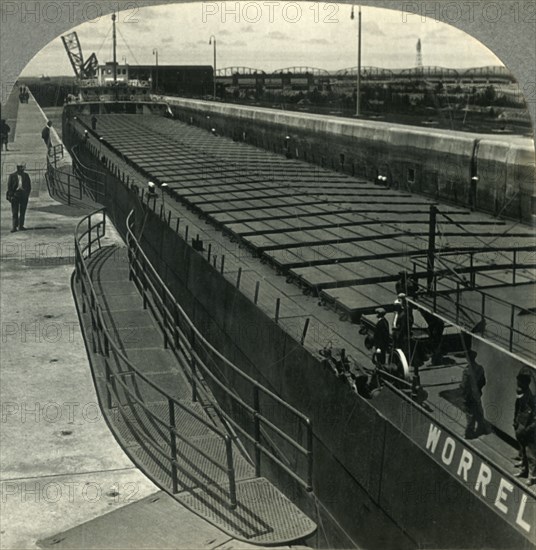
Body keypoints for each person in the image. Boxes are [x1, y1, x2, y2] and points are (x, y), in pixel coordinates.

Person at [513, 369, 536, 485]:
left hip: (528, 429)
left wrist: (528, 429)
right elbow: (518, 410)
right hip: (521, 427)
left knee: (530, 453)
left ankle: (532, 476)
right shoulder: (521, 394)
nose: (517, 384)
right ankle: (523, 470)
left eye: (519, 382)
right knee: (523, 450)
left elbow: (534, 418)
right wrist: (515, 422)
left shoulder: (530, 399)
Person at [460, 350, 488, 439]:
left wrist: (464, 394)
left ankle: (469, 432)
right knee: (478, 410)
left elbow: (464, 385)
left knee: (470, 413)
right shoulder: (480, 368)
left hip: (468, 395)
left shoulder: (467, 371)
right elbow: (483, 382)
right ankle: (482, 427)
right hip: (477, 393)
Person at [6, 163, 32, 232]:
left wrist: (26, 194)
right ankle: (14, 226)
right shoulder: (12, 176)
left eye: (23, 168)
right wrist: (11, 196)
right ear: (18, 168)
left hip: (23, 195)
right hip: (15, 195)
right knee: (15, 212)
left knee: (22, 211)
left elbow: (29, 186)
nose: (23, 169)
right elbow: (9, 187)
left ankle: (21, 226)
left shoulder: (26, 175)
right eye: (21, 168)